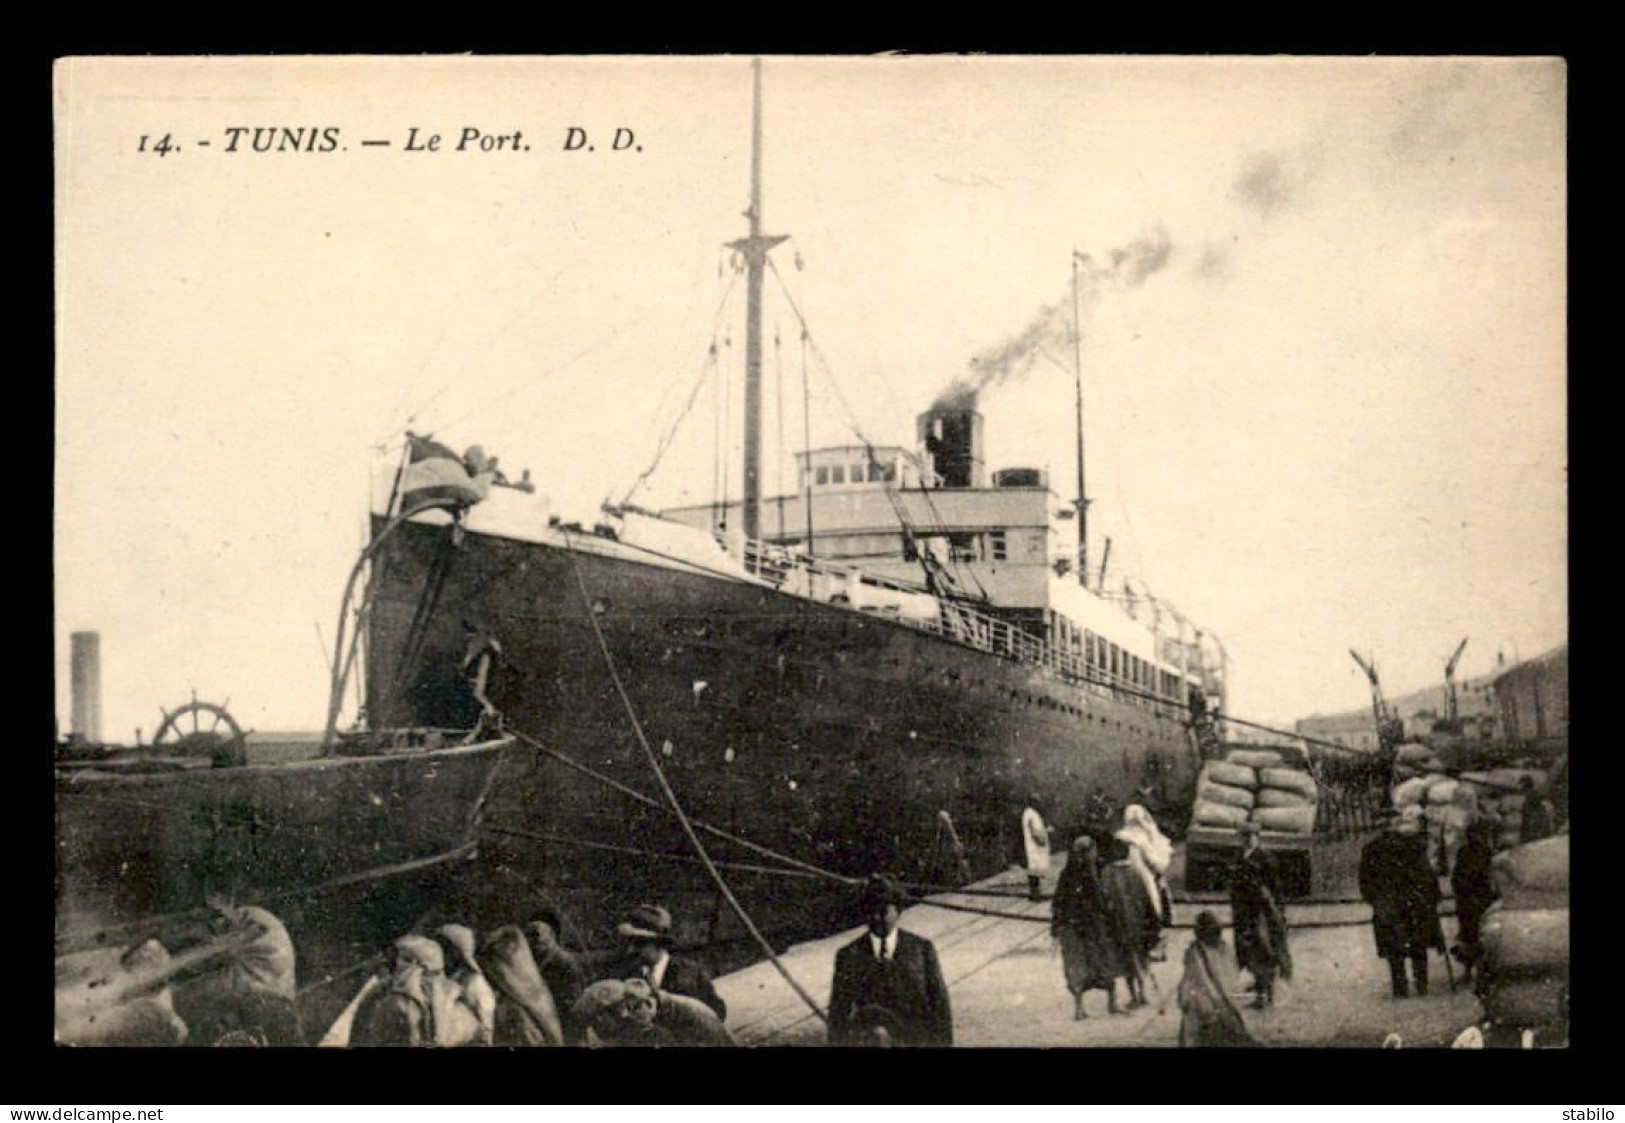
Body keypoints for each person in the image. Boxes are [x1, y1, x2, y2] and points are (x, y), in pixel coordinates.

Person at [828, 875, 953, 1046]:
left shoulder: (921, 949)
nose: (876, 918)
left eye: (883, 912)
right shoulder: (849, 955)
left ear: (898, 911)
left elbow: (940, 1008)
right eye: (870, 912)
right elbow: (837, 1016)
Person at [173, 899, 304, 1047]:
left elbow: (213, 954)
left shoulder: (249, 923)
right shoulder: (252, 919)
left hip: (260, 993)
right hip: (270, 996)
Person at [1359, 806, 1445, 998]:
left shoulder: (1375, 849)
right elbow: (1427, 874)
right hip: (1407, 902)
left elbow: (1365, 882)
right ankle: (1419, 984)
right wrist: (1432, 895)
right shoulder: (1411, 845)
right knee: (1415, 944)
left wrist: (1375, 900)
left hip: (1395, 903)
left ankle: (1402, 987)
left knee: (1398, 947)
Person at [1050, 836, 1133, 1019]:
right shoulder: (1092, 872)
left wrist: (1056, 926)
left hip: (1076, 926)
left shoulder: (1070, 873)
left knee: (1081, 964)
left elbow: (1057, 902)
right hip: (1091, 925)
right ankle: (1109, 1003)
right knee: (1101, 960)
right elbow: (1100, 899)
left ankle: (1082, 1008)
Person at [613, 903, 726, 1022]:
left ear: (659, 943)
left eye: (639, 943)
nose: (631, 950)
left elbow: (716, 1013)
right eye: (629, 943)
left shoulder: (689, 974)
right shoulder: (627, 976)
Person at [1230, 822, 1292, 1009]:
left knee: (1264, 950)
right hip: (1244, 912)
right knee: (1249, 952)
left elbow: (1275, 886)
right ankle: (1260, 991)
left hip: (1262, 912)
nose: (1247, 840)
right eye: (1244, 837)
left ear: (1257, 837)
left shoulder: (1265, 857)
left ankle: (1267, 993)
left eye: (1250, 836)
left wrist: (1278, 911)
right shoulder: (1240, 856)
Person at [1176, 911, 1257, 1047]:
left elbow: (1192, 979)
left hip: (1204, 1008)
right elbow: (1232, 978)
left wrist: (1183, 998)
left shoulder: (1195, 951)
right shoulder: (1225, 949)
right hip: (1223, 1006)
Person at [1117, 803, 1174, 958]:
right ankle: (1152, 946)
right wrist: (1164, 862)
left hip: (1120, 880)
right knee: (1149, 909)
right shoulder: (1142, 839)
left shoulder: (1119, 836)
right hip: (1142, 879)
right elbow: (1154, 862)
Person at [1450, 815, 1500, 985]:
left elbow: (1490, 876)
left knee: (1480, 936)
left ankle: (1481, 970)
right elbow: (1458, 876)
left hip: (1479, 899)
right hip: (1470, 899)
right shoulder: (1465, 852)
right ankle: (1469, 970)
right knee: (1469, 936)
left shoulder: (1486, 852)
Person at [435, 923, 496, 1045]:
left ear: (458, 952)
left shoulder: (474, 983)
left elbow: (485, 1028)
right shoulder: (442, 978)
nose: (439, 954)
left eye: (445, 949)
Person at [1021, 805, 1051, 902]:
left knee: (1033, 870)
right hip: (1034, 846)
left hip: (1031, 845)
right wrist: (1044, 837)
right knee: (1035, 870)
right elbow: (1035, 831)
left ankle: (1034, 893)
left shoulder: (1027, 813)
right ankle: (1035, 894)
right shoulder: (1032, 814)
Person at [1519, 776, 1556, 844]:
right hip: (1532, 833)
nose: (1522, 791)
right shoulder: (1526, 803)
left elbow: (1544, 820)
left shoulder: (1536, 800)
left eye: (1523, 788)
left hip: (1538, 833)